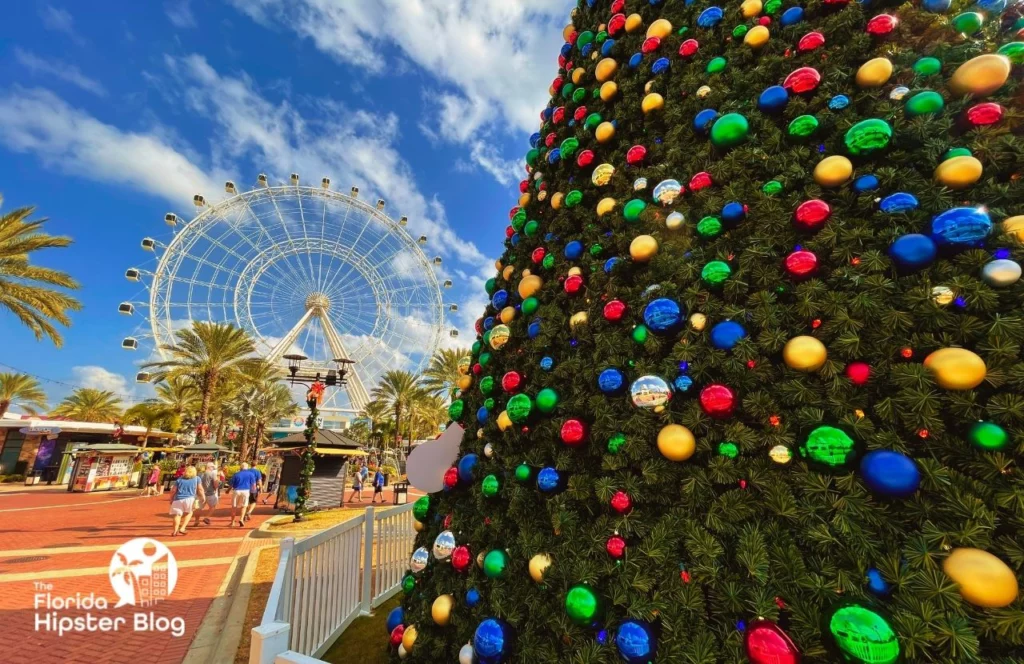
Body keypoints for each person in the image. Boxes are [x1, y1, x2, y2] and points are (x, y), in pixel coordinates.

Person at [169, 466, 199, 537]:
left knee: (177, 515)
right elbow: (200, 489)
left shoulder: (179, 479)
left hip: (178, 499)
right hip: (190, 498)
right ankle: (182, 528)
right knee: (189, 512)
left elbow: (173, 490)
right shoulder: (197, 479)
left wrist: (171, 498)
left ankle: (175, 531)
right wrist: (202, 497)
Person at [229, 462, 255, 527]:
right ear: (247, 467)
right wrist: (253, 491)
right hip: (246, 491)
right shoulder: (251, 474)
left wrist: (228, 490)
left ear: (241, 467)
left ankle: (232, 522)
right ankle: (241, 519)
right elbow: (253, 485)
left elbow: (231, 484)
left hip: (236, 490)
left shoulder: (236, 474)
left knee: (234, 506)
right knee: (244, 506)